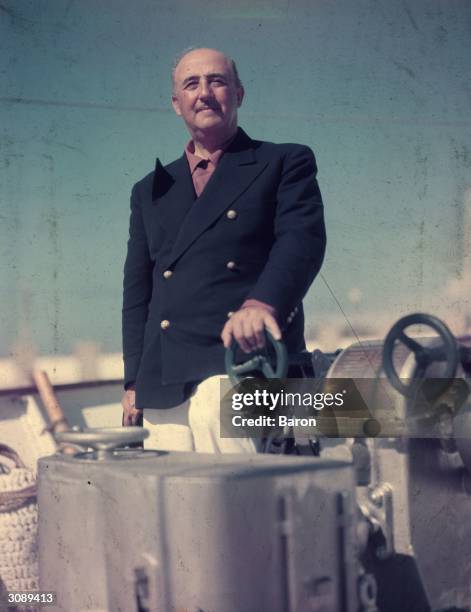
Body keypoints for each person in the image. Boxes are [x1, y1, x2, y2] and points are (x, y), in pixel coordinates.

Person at [121, 47, 326, 452]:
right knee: (176, 505)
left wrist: (262, 305)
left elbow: (302, 239)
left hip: (245, 362)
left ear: (239, 94)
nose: (204, 93)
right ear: (176, 103)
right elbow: (138, 291)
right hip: (164, 373)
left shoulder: (284, 160)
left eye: (217, 81)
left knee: (237, 495)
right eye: (191, 84)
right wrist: (133, 381)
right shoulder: (149, 190)